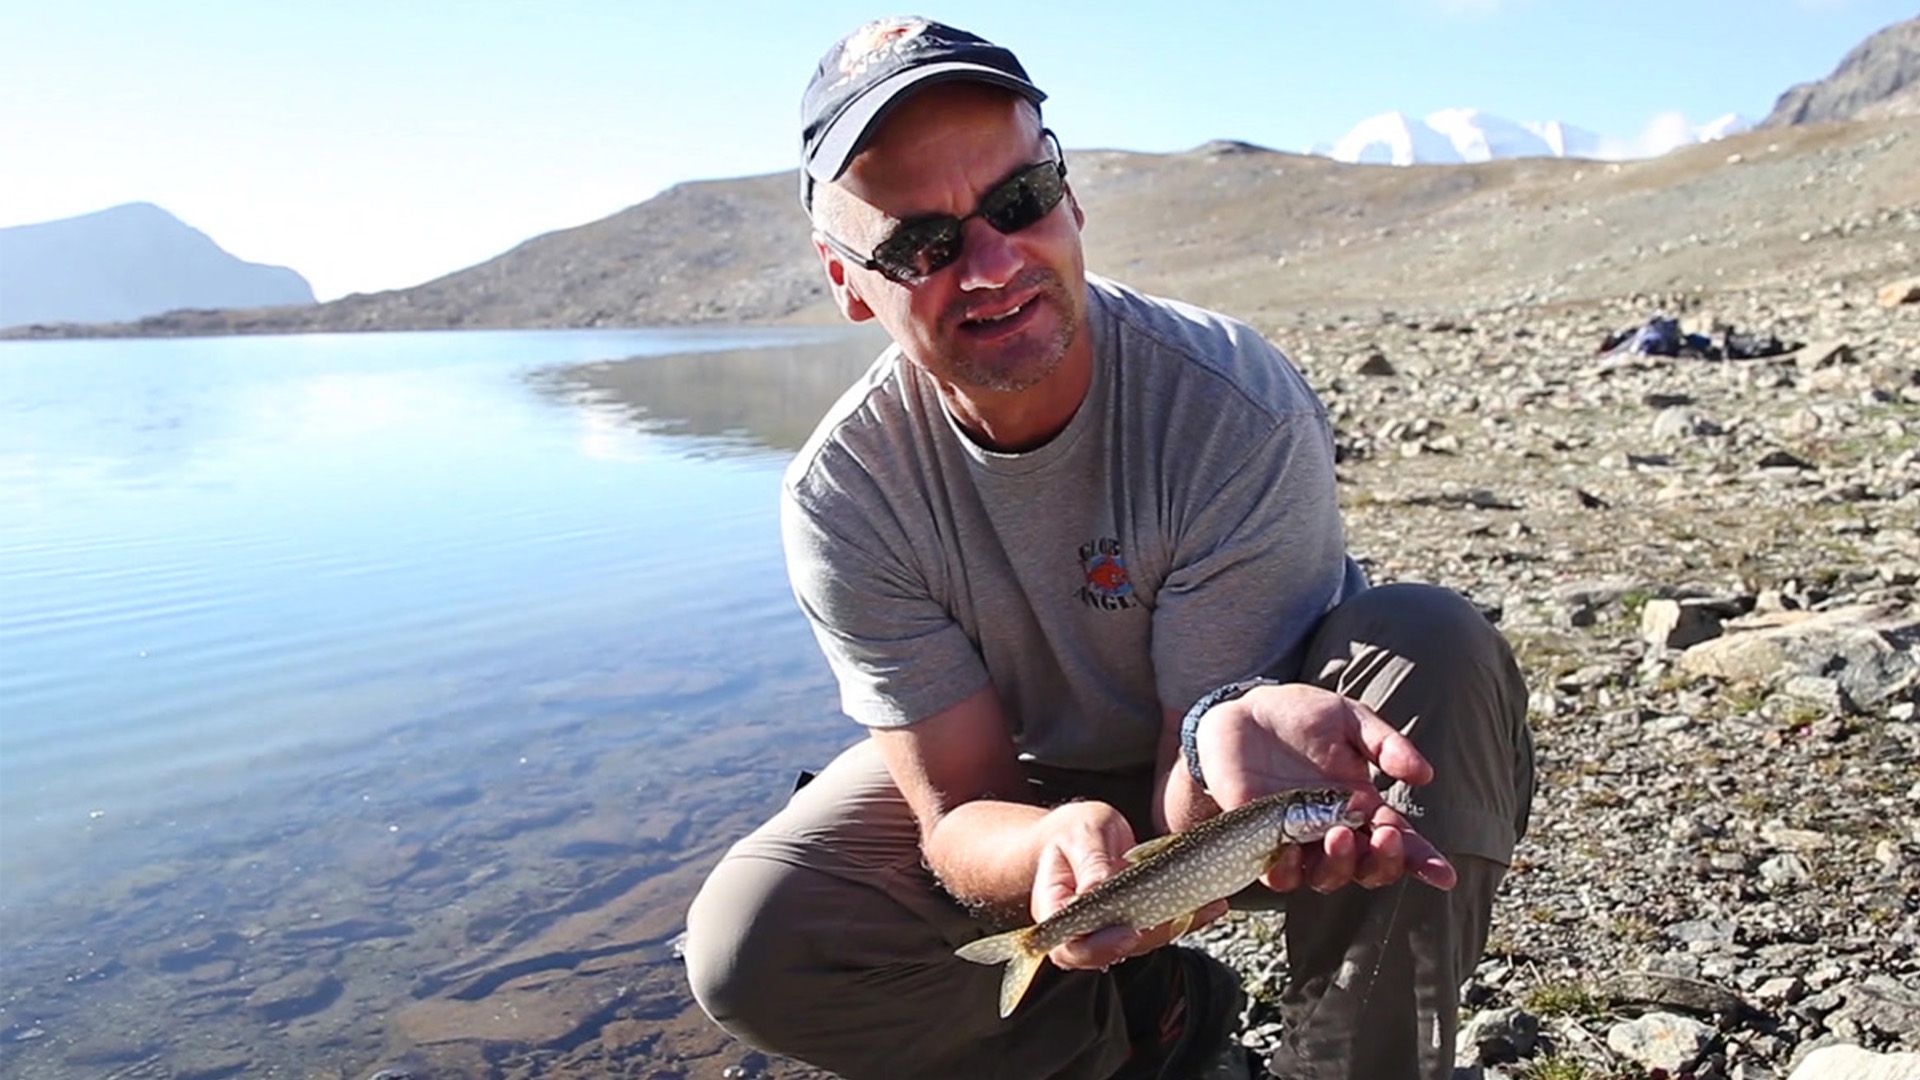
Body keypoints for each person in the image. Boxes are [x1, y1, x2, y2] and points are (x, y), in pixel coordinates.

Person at [684, 16, 1534, 1080]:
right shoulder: (846, 493)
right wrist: (1050, 849)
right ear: (847, 278)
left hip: (1260, 761)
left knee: (1428, 644)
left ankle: (1351, 1064)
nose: (992, 264)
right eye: (919, 245)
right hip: (1034, 777)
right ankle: (1136, 1030)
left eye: (1019, 200)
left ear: (1070, 196)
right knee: (755, 943)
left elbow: (1198, 778)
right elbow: (959, 810)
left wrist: (1216, 747)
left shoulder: (1229, 404)